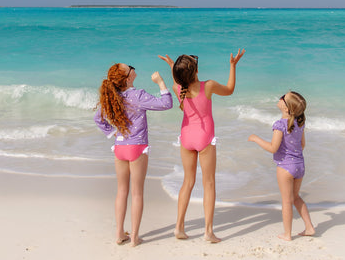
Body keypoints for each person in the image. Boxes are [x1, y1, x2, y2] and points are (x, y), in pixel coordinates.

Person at [159, 49, 246, 243]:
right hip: (205, 138)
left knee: (187, 182)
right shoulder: (209, 86)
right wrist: (232, 66)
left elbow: (176, 81)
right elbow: (230, 89)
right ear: (196, 70)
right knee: (209, 184)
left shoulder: (178, 89)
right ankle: (208, 232)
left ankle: (179, 227)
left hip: (186, 137)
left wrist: (171, 65)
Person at [94, 63, 173, 246]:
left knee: (121, 192)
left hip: (120, 148)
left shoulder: (113, 97)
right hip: (137, 147)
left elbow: (98, 118)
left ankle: (119, 233)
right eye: (131, 67)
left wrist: (112, 132)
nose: (133, 67)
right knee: (137, 193)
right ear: (128, 78)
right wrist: (161, 83)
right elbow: (166, 104)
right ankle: (135, 237)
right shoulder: (137, 95)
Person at [248, 91, 315, 241]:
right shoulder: (299, 123)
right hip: (300, 165)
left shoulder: (280, 125)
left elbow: (273, 148)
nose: (280, 97)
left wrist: (256, 139)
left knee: (286, 201)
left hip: (285, 168)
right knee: (296, 197)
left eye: (283, 97)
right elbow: (302, 145)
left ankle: (287, 234)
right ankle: (309, 227)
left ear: (286, 108)